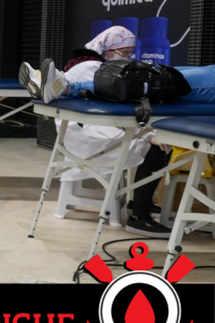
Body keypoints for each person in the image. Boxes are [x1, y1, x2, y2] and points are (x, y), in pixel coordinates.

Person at [18, 26, 172, 238]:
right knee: (158, 147)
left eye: (129, 53)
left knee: (152, 141)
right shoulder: (94, 68)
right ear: (108, 49)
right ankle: (140, 216)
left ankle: (138, 203)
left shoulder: (84, 64)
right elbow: (114, 107)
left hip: (82, 132)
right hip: (91, 136)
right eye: (124, 53)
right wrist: (148, 135)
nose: (127, 58)